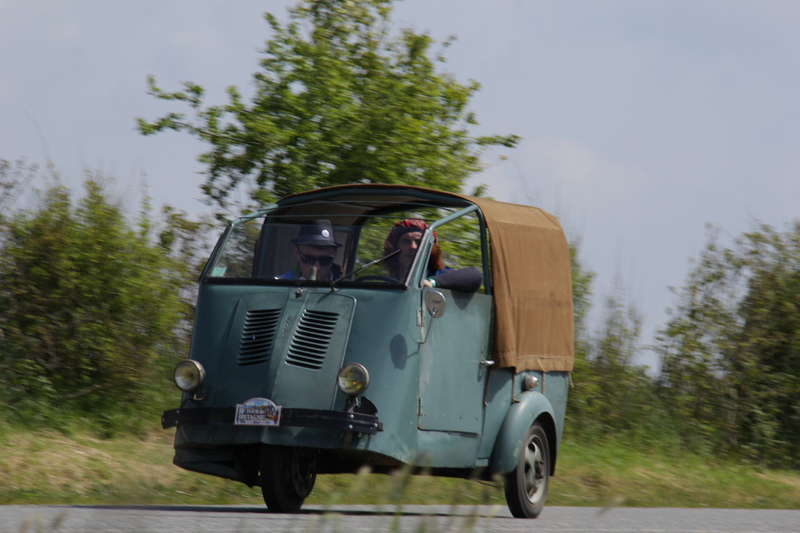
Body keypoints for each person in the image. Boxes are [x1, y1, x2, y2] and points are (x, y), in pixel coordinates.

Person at [383, 219, 483, 292]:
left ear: (430, 249)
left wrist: (431, 283)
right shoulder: (388, 282)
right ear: (395, 249)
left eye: (419, 242)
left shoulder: (439, 275)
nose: (413, 247)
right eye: (406, 241)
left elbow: (475, 276)